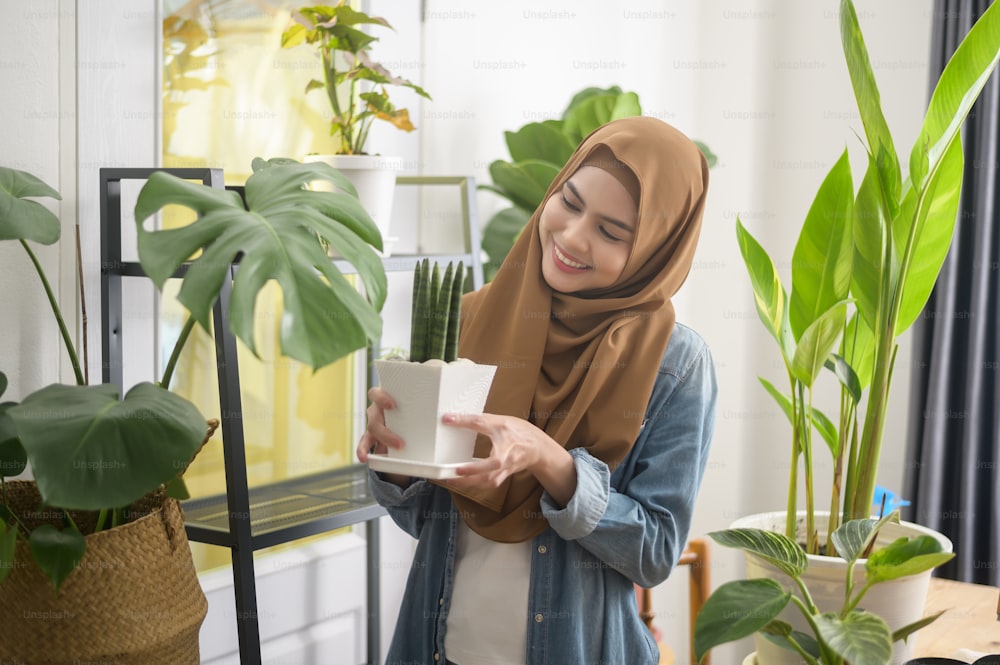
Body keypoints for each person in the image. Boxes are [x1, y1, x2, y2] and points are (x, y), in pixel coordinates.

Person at [357, 115, 717, 665]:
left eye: (611, 232)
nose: (572, 237)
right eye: (569, 203)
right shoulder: (471, 320)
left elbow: (655, 552)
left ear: (654, 251)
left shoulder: (675, 364)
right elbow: (428, 520)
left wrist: (551, 462)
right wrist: (397, 459)